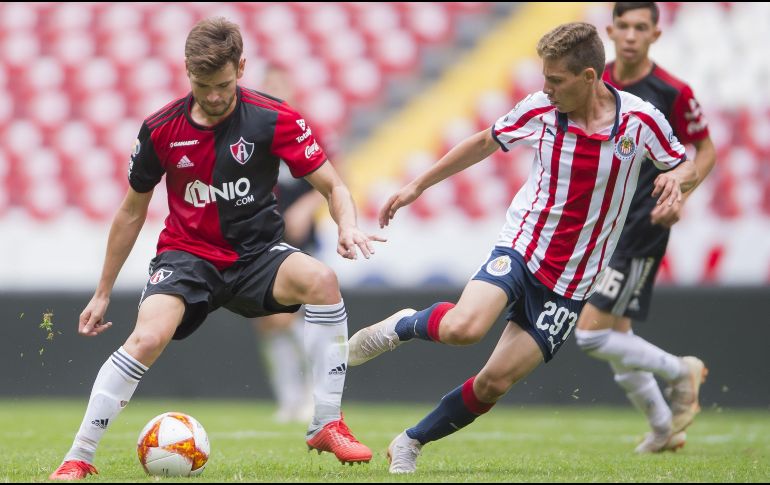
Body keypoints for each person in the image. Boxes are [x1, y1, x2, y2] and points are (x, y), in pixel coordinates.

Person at [347, 22, 699, 474]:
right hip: (523, 246)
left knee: (494, 383)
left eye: (555, 80)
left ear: (589, 78)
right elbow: (481, 143)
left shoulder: (641, 121)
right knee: (463, 328)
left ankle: (410, 441)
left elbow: (683, 163)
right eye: (544, 78)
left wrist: (677, 179)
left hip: (573, 280)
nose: (545, 88)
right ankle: (402, 325)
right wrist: (417, 185)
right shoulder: (541, 112)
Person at [49, 17, 381, 481]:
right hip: (187, 258)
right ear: (188, 74)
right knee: (146, 338)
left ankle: (326, 422)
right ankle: (79, 455)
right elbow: (130, 212)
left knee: (323, 281)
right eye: (203, 85)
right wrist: (102, 292)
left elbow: (334, 185)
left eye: (223, 84)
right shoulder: (160, 129)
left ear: (241, 68)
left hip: (257, 255)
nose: (214, 96)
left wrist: (347, 226)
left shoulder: (274, 117)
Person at [573, 2, 715, 454]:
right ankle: (662, 430)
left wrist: (680, 194)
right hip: (600, 223)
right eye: (624, 27)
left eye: (641, 27)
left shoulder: (673, 91)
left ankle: (680, 370)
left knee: (592, 334)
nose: (631, 35)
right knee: (619, 338)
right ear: (610, 30)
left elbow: (704, 151)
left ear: (655, 34)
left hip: (641, 223)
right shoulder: (596, 81)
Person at [250, 64, 323, 424]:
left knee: (295, 316)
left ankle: (312, 395)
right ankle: (289, 398)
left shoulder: (305, 128)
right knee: (268, 322)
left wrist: (307, 207)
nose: (275, 94)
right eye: (269, 88)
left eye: (280, 87)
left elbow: (336, 177)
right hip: (263, 238)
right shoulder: (250, 132)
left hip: (299, 241)